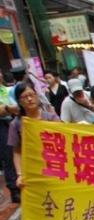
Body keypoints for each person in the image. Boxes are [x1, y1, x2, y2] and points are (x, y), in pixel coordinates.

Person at [8, 83, 60, 192]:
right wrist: (20, 174)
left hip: (55, 166)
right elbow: (17, 152)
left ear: (37, 96)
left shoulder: (51, 118)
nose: (29, 99)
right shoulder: (16, 124)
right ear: (19, 101)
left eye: (31, 94)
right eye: (24, 97)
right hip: (33, 170)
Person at [0, 72, 19, 203]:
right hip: (2, 125)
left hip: (12, 122)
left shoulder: (5, 89)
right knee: (8, 156)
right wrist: (8, 108)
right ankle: (14, 190)